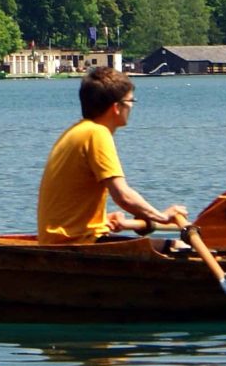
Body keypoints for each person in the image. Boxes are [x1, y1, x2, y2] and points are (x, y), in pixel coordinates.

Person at [37, 68, 191, 244]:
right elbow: (122, 195)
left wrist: (101, 218)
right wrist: (162, 216)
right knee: (178, 247)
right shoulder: (97, 134)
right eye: (131, 100)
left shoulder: (76, 131)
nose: (132, 106)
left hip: (58, 238)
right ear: (117, 107)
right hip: (76, 242)